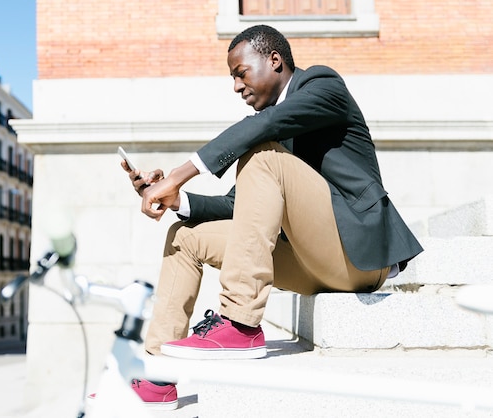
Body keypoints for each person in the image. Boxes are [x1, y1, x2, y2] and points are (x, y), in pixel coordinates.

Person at [119, 24, 423, 409]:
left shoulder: (323, 87)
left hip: (358, 256)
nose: (235, 86)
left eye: (239, 73)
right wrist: (176, 199)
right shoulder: (272, 141)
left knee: (260, 151)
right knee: (186, 237)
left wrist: (180, 172)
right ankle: (158, 378)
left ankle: (241, 323)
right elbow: (236, 205)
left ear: (274, 60)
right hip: (307, 262)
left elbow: (264, 128)